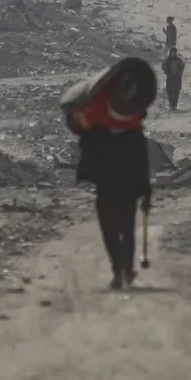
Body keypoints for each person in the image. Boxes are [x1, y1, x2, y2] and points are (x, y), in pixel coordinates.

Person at [66, 59, 154, 290]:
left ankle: (120, 271)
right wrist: (145, 190)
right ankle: (125, 270)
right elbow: (142, 166)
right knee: (126, 227)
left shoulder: (96, 132)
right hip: (127, 188)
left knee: (112, 229)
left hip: (107, 188)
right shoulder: (134, 135)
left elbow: (81, 136)